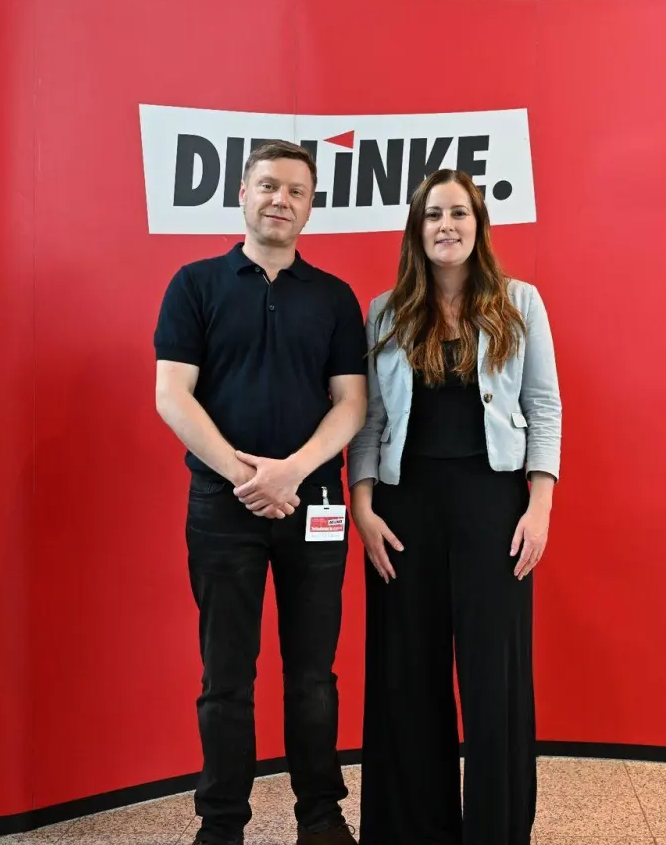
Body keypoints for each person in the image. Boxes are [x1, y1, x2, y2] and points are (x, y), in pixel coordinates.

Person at [153, 140, 367, 845]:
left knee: (313, 676)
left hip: (317, 506)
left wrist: (293, 473)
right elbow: (172, 396)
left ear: (311, 208)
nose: (281, 199)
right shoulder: (195, 284)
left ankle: (321, 817)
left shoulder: (334, 298)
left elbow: (351, 404)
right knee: (226, 678)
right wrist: (249, 478)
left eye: (296, 191)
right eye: (268, 186)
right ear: (242, 195)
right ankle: (221, 825)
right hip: (223, 510)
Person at [347, 168, 562, 845]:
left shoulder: (521, 303)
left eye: (459, 214)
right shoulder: (385, 311)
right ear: (417, 229)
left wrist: (540, 505)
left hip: (493, 507)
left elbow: (543, 407)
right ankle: (416, 829)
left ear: (478, 226)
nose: (446, 226)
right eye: (434, 215)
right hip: (403, 511)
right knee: (407, 674)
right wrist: (363, 507)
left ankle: (496, 831)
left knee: (494, 673)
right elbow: (369, 418)